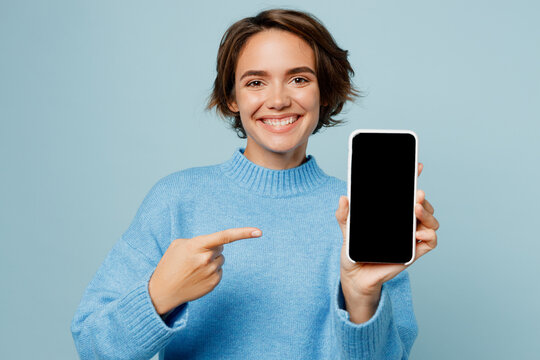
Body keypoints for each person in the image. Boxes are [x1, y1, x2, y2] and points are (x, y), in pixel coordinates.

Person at [71, 8, 439, 359]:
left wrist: (360, 297)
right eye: (256, 82)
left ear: (324, 91)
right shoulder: (177, 199)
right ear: (231, 97)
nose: (278, 100)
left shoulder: (359, 213)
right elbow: (93, 347)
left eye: (299, 79)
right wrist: (160, 295)